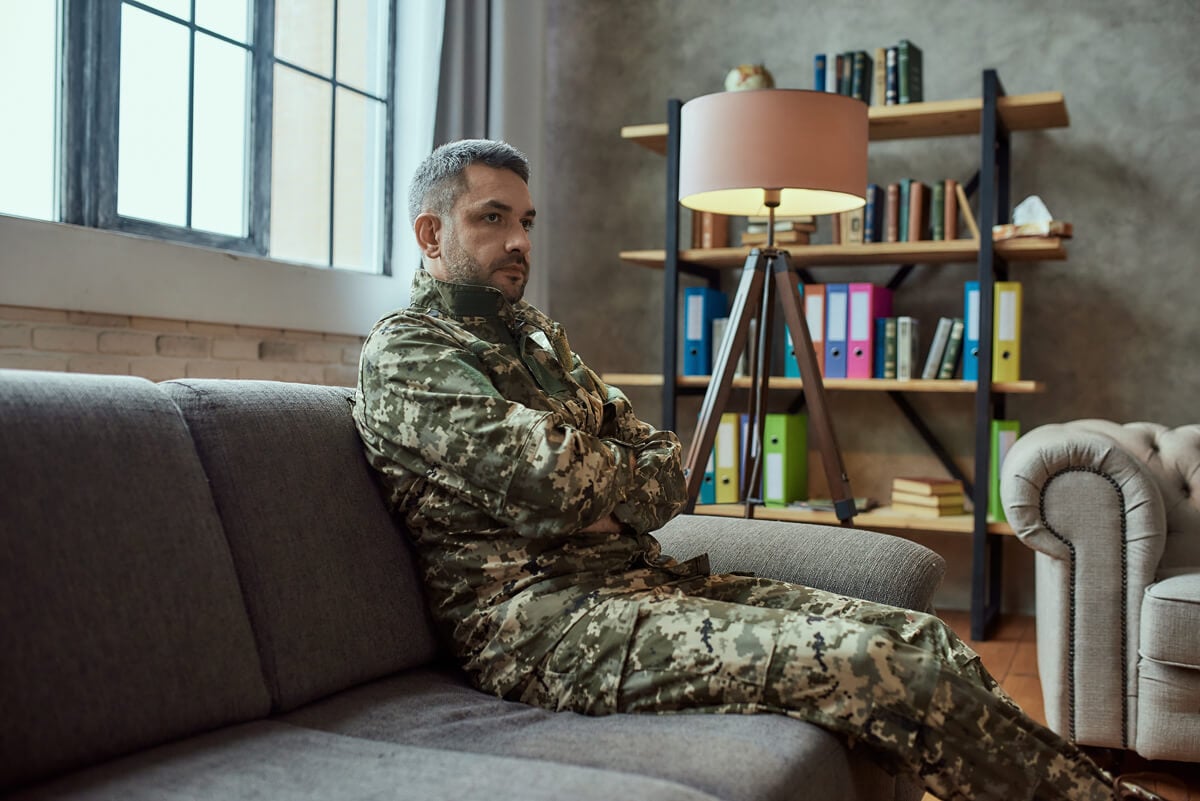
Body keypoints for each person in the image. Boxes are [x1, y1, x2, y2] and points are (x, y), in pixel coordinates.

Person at [352, 138, 1170, 801]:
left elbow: (669, 466)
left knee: (924, 636)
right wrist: (600, 485)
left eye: (526, 219)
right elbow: (553, 484)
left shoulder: (536, 336)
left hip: (638, 582)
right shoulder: (410, 351)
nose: (520, 241)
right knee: (886, 670)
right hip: (539, 627)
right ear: (432, 234)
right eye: (492, 219)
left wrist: (607, 491)